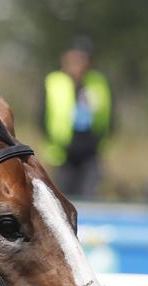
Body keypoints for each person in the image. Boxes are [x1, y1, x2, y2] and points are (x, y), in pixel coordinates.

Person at [39, 37, 113, 198]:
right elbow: (41, 117)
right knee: (61, 198)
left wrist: (99, 142)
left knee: (89, 195)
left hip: (90, 151)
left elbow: (109, 116)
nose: (78, 63)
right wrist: (53, 141)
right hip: (62, 152)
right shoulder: (54, 81)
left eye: (83, 58)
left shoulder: (98, 82)